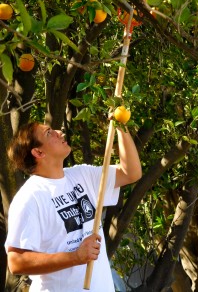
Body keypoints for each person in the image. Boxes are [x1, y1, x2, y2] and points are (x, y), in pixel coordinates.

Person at [5, 121, 142, 292]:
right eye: (49, 133)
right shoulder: (30, 198)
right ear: (38, 152)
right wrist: (75, 257)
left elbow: (131, 173)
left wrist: (121, 125)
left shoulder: (82, 175)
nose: (58, 132)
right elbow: (16, 262)